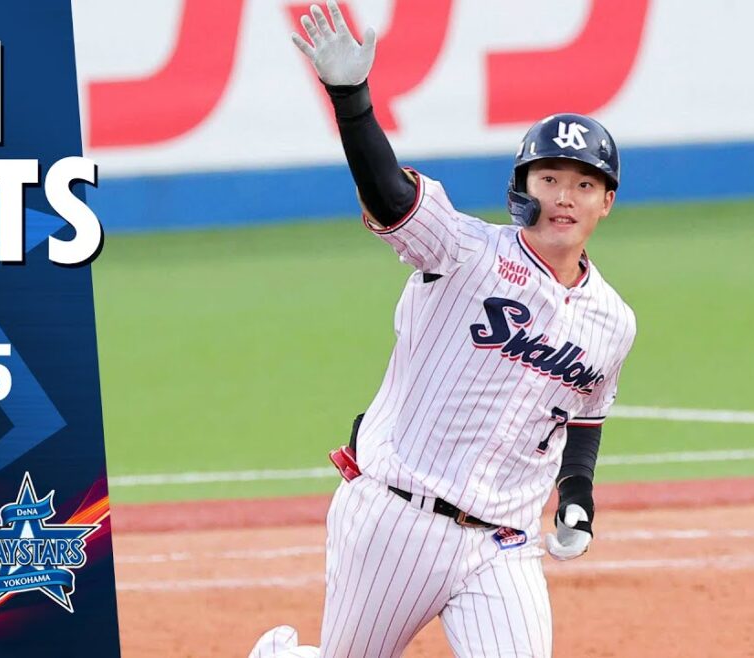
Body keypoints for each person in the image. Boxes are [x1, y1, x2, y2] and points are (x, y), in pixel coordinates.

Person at [272, 3, 638, 656]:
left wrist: (577, 495)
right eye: (549, 178)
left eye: (584, 184)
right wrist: (352, 101)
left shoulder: (613, 320)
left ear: (606, 202)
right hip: (397, 522)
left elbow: (587, 410)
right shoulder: (463, 250)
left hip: (505, 544)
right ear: (521, 188)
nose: (564, 196)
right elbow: (390, 195)